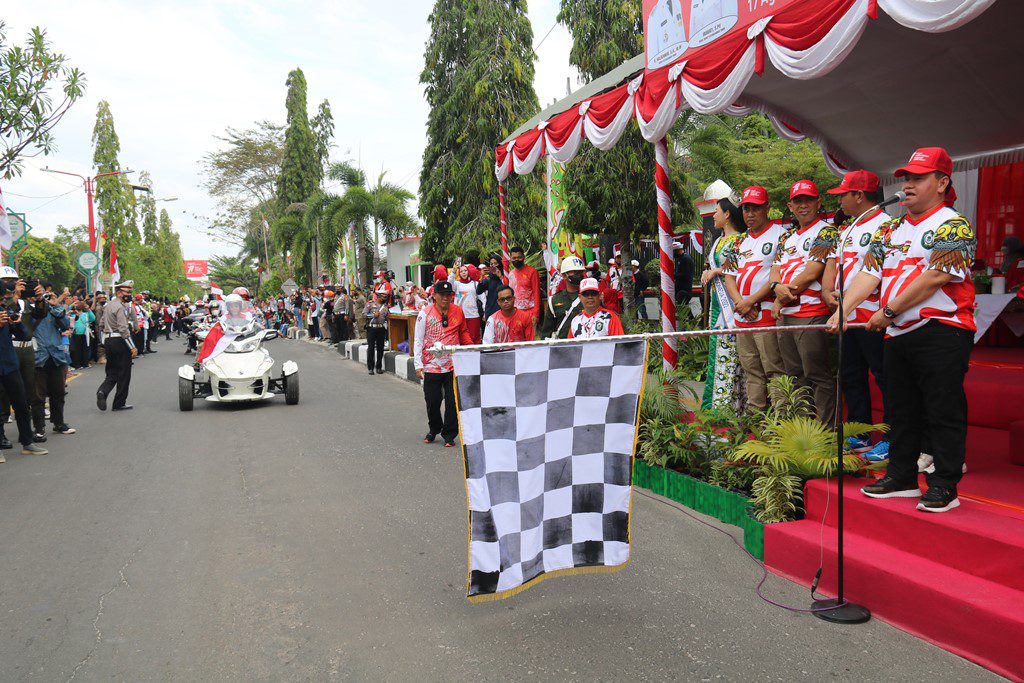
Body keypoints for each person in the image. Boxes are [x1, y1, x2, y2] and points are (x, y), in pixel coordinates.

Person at [828, 147, 976, 513]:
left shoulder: (952, 224)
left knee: (942, 409)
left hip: (942, 329)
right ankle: (902, 476)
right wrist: (843, 311)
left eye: (918, 178)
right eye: (906, 178)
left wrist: (889, 311)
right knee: (901, 408)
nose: (908, 185)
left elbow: (937, 276)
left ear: (942, 183)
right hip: (898, 333)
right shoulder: (891, 228)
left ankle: (944, 484)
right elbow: (868, 274)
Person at [822, 170, 892, 460]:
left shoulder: (887, 226)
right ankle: (860, 434)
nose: (840, 201)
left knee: (886, 378)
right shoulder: (848, 229)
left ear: (859, 196)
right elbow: (836, 267)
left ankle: (892, 438)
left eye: (844, 195)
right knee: (851, 376)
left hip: (874, 318)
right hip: (846, 316)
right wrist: (829, 293)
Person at [768, 180, 838, 424]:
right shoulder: (787, 236)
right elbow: (774, 269)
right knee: (795, 375)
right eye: (798, 201)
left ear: (819, 202)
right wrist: (777, 288)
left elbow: (812, 272)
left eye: (809, 200)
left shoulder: (826, 231)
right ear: (790, 205)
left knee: (817, 374)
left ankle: (823, 432)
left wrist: (781, 297)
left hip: (811, 313)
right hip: (786, 315)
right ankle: (802, 430)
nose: (804, 205)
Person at [722, 186, 787, 411]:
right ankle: (756, 418)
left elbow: (778, 275)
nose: (750, 214)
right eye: (746, 209)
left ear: (767, 208)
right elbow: (729, 276)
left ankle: (782, 421)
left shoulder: (782, 235)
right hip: (743, 317)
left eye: (756, 208)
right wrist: (741, 303)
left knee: (774, 370)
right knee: (751, 370)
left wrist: (751, 301)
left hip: (768, 314)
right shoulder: (737, 242)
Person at [700, 195, 747, 411]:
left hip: (732, 306)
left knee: (732, 355)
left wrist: (716, 271)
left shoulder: (741, 240)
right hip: (717, 305)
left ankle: (730, 406)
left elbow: (741, 269)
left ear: (727, 214)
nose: (713, 215)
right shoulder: (719, 241)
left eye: (717, 211)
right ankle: (714, 403)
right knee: (717, 353)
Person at [413, 280, 473, 447]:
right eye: (442, 295)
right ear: (434, 296)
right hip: (431, 365)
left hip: (453, 364)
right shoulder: (424, 313)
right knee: (432, 401)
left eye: (449, 295)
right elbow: (418, 340)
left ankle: (449, 434)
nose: (446, 298)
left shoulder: (458, 311)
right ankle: (434, 429)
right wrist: (418, 364)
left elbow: (464, 333)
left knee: (453, 402)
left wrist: (472, 351)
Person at [0, 286, 46, 457]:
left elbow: (25, 336)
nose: (3, 302)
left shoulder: (5, 312)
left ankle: (27, 442)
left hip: (10, 366)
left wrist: (17, 324)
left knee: (21, 404)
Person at [32, 286, 75, 434]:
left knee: (59, 392)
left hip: (56, 356)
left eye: (45, 294)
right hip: (38, 357)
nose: (44, 297)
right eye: (39, 294)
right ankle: (39, 427)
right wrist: (39, 305)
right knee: (38, 396)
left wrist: (56, 305)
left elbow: (65, 325)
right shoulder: (28, 309)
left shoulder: (53, 309)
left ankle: (59, 423)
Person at [97, 281, 138, 411]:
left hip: (109, 341)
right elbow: (123, 328)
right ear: (119, 293)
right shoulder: (120, 307)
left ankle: (102, 391)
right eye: (127, 292)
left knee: (112, 372)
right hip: (120, 341)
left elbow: (102, 324)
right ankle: (119, 403)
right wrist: (132, 346)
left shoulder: (108, 305)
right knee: (124, 373)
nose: (129, 295)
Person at [540, 256, 586, 339]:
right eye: (574, 272)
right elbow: (546, 333)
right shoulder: (554, 300)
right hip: (562, 348)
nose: (578, 275)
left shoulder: (590, 297)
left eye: (580, 272)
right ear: (564, 275)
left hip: (585, 346)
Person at [506, 246, 540, 327]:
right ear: (510, 259)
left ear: (523, 257)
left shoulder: (532, 272)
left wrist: (536, 313)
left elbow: (536, 293)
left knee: (529, 338)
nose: (516, 260)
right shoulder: (510, 274)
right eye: (514, 258)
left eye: (519, 257)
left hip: (529, 312)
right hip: (515, 313)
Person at [451, 265, 482, 343]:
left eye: (465, 270)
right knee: (461, 339)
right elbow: (449, 283)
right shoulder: (457, 284)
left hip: (473, 315)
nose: (463, 273)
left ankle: (476, 354)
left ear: (468, 272)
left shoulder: (475, 284)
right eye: (461, 271)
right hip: (460, 316)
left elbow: (482, 298)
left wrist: (484, 311)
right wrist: (453, 272)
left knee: (474, 339)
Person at [364, 286, 389, 375]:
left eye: (386, 297)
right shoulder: (370, 304)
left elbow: (387, 318)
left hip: (381, 328)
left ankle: (379, 367)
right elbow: (364, 314)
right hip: (372, 328)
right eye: (384, 297)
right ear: (378, 296)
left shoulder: (385, 307)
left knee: (380, 348)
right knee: (371, 348)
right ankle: (370, 368)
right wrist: (373, 315)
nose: (385, 298)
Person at [477, 256, 506, 320]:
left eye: (496, 263)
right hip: (491, 311)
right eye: (491, 264)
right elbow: (478, 291)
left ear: (500, 264)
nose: (493, 266)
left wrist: (500, 277)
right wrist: (482, 276)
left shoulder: (505, 277)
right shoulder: (489, 279)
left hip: (503, 310)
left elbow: (508, 288)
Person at [70, 301, 94, 370]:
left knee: (85, 349)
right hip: (76, 334)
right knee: (77, 350)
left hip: (85, 334)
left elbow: (93, 318)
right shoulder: (73, 314)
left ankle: (85, 364)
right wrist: (71, 305)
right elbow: (67, 315)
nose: (78, 305)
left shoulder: (86, 314)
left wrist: (89, 309)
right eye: (76, 305)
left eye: (79, 304)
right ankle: (77, 365)